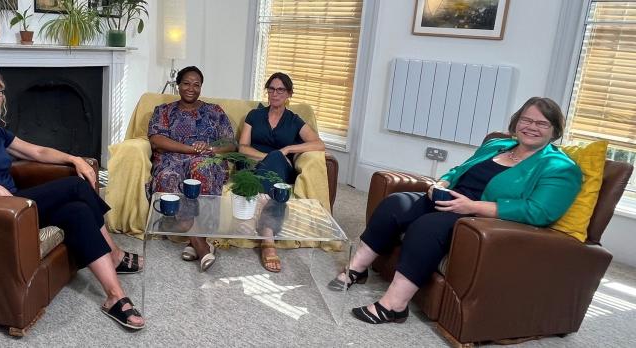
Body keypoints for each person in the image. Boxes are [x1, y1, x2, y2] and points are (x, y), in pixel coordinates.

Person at [330, 97, 582, 324]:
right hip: (452, 199)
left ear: (554, 131)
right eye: (526, 119)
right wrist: (441, 183)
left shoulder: (559, 167)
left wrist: (471, 206)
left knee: (427, 227)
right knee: (394, 204)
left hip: (480, 215)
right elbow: (459, 170)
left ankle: (395, 306)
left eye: (542, 123)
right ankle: (356, 269)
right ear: (516, 122)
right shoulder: (497, 145)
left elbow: (538, 211)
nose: (531, 127)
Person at [0, 69, 145, 330]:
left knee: (77, 211)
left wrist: (73, 158)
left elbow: (37, 151)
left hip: (17, 205)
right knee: (76, 186)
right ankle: (115, 254)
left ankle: (114, 296)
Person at [147, 66, 236, 272]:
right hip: (172, 158)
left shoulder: (215, 111)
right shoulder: (164, 111)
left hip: (206, 158)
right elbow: (156, 140)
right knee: (168, 177)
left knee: (200, 170)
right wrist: (190, 149)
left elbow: (231, 144)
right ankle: (202, 247)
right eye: (186, 83)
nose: (191, 88)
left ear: (201, 87)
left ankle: (194, 242)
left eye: (196, 84)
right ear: (178, 85)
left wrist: (211, 149)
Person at [238, 72, 325, 273]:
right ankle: (268, 238)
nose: (274, 93)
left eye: (280, 90)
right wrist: (271, 156)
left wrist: (287, 150)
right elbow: (243, 147)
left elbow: (319, 144)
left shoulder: (294, 120)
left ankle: (265, 235)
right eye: (271, 89)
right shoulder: (255, 115)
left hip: (280, 171)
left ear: (289, 94)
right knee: (275, 160)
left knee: (277, 159)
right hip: (253, 165)